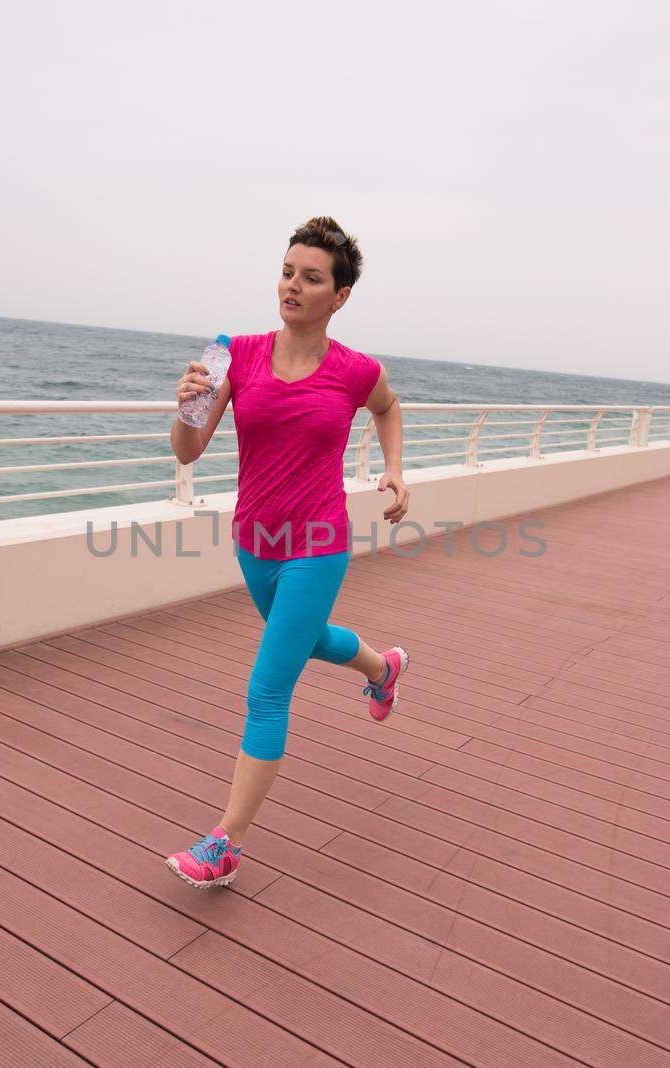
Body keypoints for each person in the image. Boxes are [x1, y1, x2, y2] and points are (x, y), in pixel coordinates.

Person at [164, 216, 410, 889]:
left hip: (319, 542)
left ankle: (226, 844)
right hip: (256, 542)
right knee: (303, 642)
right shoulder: (230, 352)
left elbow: (389, 408)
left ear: (340, 295)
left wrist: (395, 470)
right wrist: (184, 406)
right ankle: (383, 669)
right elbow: (187, 452)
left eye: (311, 278)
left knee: (268, 687)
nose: (292, 286)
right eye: (287, 271)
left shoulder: (357, 370)